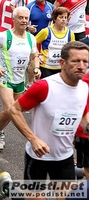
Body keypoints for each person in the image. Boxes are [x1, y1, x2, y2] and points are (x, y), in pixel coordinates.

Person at [6, 41, 89, 198]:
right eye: (75, 61)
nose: (81, 66)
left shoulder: (84, 88)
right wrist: (33, 139)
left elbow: (83, 116)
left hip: (65, 157)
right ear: (62, 63)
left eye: (85, 61)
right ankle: (8, 188)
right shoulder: (44, 87)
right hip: (38, 158)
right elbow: (14, 110)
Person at [0, 6, 40, 151]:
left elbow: (34, 56)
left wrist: (37, 68)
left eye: (26, 18)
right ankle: (0, 134)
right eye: (20, 17)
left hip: (19, 80)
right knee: (10, 109)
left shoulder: (31, 38)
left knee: (13, 110)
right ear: (13, 19)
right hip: (4, 78)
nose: (24, 21)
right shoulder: (4, 36)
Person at [35, 7, 75, 78]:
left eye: (65, 17)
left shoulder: (70, 33)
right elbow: (32, 43)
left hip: (61, 67)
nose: (63, 20)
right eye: (61, 17)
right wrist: (38, 55)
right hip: (46, 66)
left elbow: (72, 50)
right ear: (55, 18)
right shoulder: (46, 31)